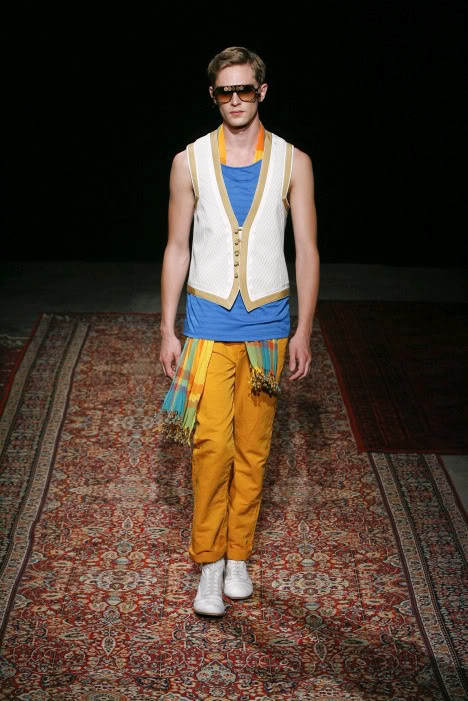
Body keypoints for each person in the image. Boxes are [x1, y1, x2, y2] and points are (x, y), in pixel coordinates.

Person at [157, 46, 319, 616]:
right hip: (206, 323)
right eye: (225, 91)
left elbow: (307, 250)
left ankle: (238, 556)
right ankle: (208, 561)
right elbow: (176, 247)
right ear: (213, 96)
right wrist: (167, 327)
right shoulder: (189, 161)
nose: (235, 99)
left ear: (261, 92)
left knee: (253, 448)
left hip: (268, 327)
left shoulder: (294, 162)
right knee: (211, 446)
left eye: (244, 89)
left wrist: (303, 329)